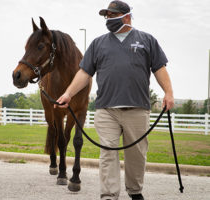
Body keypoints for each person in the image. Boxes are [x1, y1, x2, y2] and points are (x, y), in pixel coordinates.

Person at [54, 1, 174, 200]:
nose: (108, 20)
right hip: (106, 109)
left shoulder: (147, 40)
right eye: (106, 16)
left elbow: (159, 68)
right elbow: (84, 73)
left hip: (137, 108)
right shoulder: (98, 43)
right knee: (108, 154)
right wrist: (68, 94)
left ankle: (135, 191)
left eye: (112, 15)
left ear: (126, 17)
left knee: (136, 154)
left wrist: (168, 93)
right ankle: (109, 195)